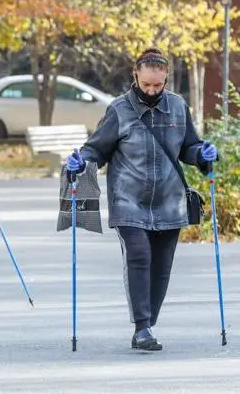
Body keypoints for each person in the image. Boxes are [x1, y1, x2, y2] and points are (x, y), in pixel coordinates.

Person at [65, 47, 219, 351]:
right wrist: (81, 162)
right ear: (135, 76)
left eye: (157, 85)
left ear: (166, 79)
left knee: (161, 267)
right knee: (138, 255)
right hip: (128, 199)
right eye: (146, 84)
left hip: (169, 200)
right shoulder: (119, 110)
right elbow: (97, 149)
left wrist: (203, 154)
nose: (151, 91)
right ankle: (142, 327)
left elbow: (189, 147)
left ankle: (148, 321)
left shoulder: (178, 107)